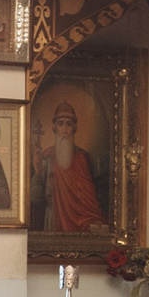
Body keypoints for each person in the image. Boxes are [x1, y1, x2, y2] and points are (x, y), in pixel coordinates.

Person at [31, 100, 106, 233]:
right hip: (52, 221)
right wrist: (37, 172)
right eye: (60, 124)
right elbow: (34, 198)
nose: (64, 130)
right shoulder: (45, 157)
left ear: (74, 128)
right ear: (54, 127)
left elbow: (89, 202)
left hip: (79, 224)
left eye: (69, 124)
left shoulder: (82, 158)